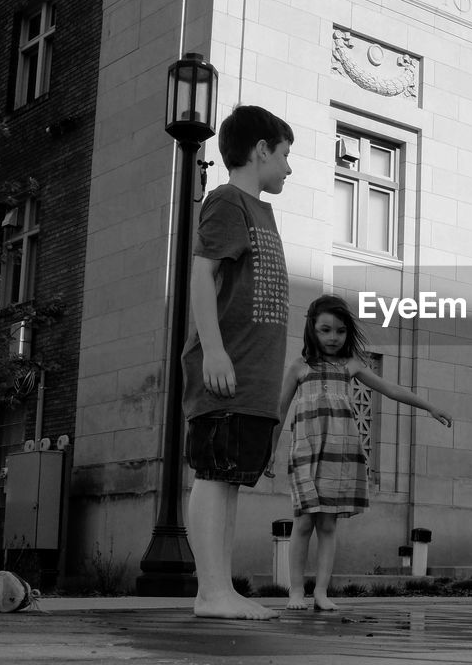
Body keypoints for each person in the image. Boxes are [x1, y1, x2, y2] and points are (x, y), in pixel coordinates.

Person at [181, 104, 294, 620]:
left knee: (227, 478)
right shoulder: (229, 200)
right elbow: (202, 275)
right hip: (227, 368)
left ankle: (220, 590)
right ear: (262, 150)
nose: (288, 168)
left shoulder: (260, 211)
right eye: (285, 155)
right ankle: (210, 593)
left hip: (252, 374)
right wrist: (216, 350)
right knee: (212, 473)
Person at [279, 294, 453, 611]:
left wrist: (430, 406)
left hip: (339, 457)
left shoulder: (351, 365)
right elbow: (279, 413)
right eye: (326, 330)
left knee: (328, 526)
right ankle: (295, 591)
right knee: (303, 524)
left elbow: (391, 389)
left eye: (341, 331)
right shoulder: (299, 368)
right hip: (306, 455)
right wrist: (265, 454)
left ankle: (320, 592)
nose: (333, 337)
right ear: (312, 330)